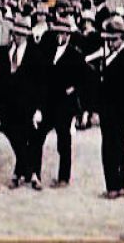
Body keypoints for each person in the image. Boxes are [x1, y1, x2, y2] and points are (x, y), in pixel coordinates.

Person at [31, 14, 88, 188]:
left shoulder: (75, 55)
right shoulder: (49, 52)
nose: (59, 37)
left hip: (64, 105)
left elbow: (83, 79)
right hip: (49, 102)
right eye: (57, 33)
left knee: (63, 141)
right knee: (38, 136)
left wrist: (73, 89)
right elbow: (42, 76)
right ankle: (35, 174)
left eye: (63, 34)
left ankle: (64, 177)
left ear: (69, 35)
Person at [0, 14, 43, 189]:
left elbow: (40, 83)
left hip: (27, 104)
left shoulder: (35, 54)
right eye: (15, 33)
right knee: (14, 136)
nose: (17, 37)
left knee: (27, 138)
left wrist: (38, 108)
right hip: (8, 105)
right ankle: (29, 172)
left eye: (21, 34)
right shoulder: (5, 53)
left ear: (26, 36)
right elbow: (1, 81)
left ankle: (24, 173)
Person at [98, 15, 124, 199]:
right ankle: (117, 185)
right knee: (114, 147)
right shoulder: (111, 56)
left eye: (114, 40)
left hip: (118, 111)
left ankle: (115, 187)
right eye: (108, 40)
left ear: (123, 38)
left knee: (112, 147)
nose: (110, 43)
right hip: (109, 110)